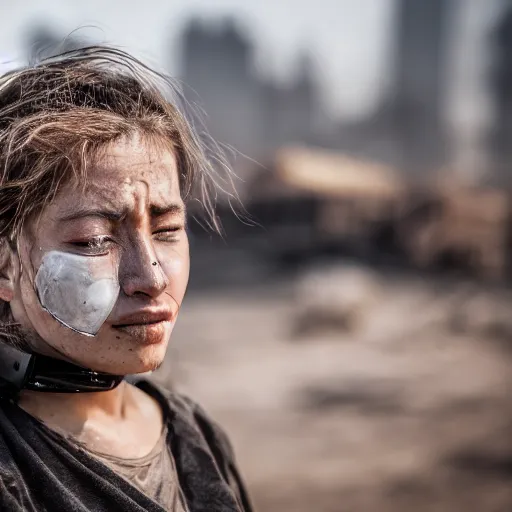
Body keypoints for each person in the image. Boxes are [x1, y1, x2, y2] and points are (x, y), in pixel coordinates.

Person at [0, 46, 253, 512]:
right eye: (95, 240)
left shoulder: (194, 434)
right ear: (4, 265)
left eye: (167, 230)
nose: (151, 278)